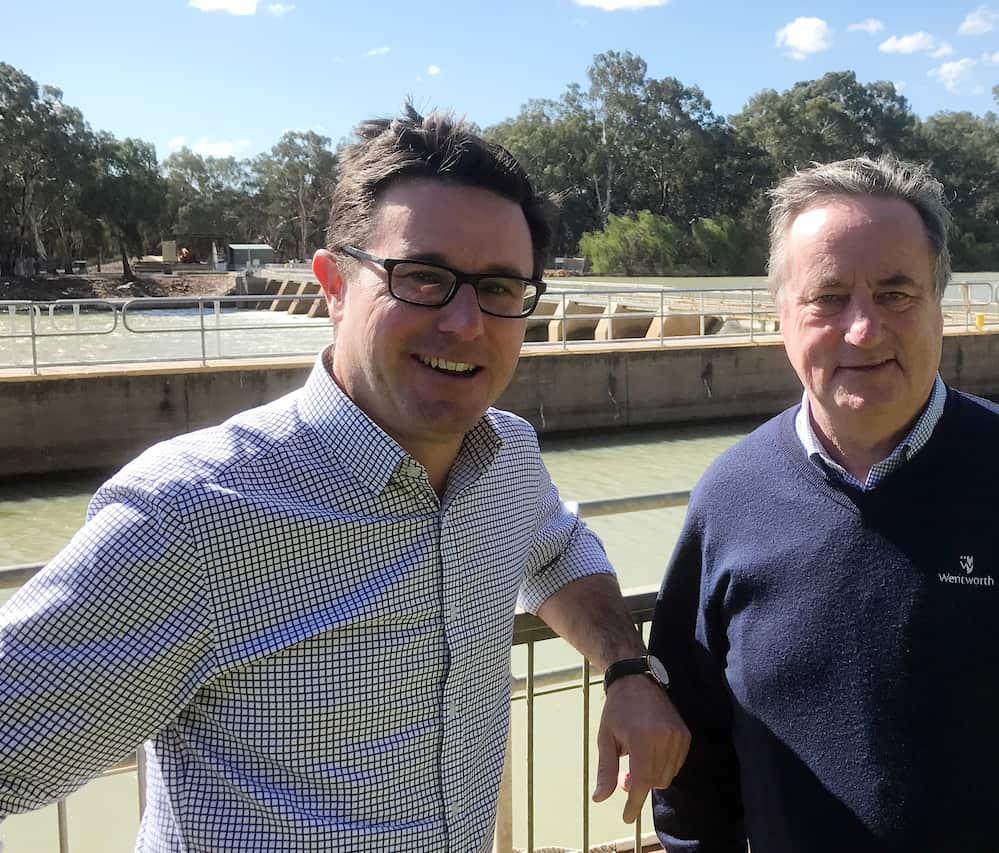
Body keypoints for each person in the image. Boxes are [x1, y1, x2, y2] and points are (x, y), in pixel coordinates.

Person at [0, 106, 688, 852]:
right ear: (332, 284)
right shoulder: (192, 512)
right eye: (422, 277)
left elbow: (557, 551)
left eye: (497, 288)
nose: (465, 323)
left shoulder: (508, 457)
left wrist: (627, 667)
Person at [647, 155, 999, 852]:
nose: (862, 329)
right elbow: (692, 776)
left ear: (941, 303)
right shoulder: (730, 496)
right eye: (827, 297)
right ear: (782, 314)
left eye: (895, 293)